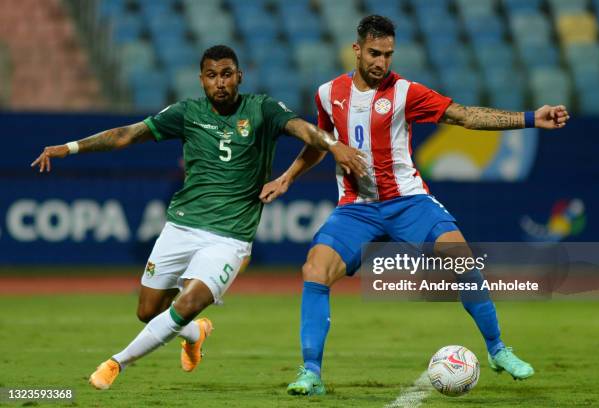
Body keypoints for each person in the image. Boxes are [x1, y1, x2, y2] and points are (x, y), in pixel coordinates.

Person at [259, 15, 570, 396]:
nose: (381, 62)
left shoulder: (406, 92)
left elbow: (466, 116)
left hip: (407, 201)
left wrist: (529, 118)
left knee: (461, 256)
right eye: (374, 53)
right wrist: (287, 177)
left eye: (388, 54)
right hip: (356, 207)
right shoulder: (328, 93)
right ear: (356, 50)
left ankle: (498, 349)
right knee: (315, 268)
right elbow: (320, 144)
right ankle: (311, 373)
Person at [31, 45, 366, 390]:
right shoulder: (187, 113)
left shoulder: (262, 109)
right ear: (201, 80)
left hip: (230, 238)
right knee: (148, 311)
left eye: (226, 74)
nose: (219, 82)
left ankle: (117, 362)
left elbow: (303, 129)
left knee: (188, 301)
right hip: (181, 227)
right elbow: (127, 135)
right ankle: (195, 332)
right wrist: (70, 148)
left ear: (239, 76)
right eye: (211, 76)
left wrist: (332, 145)